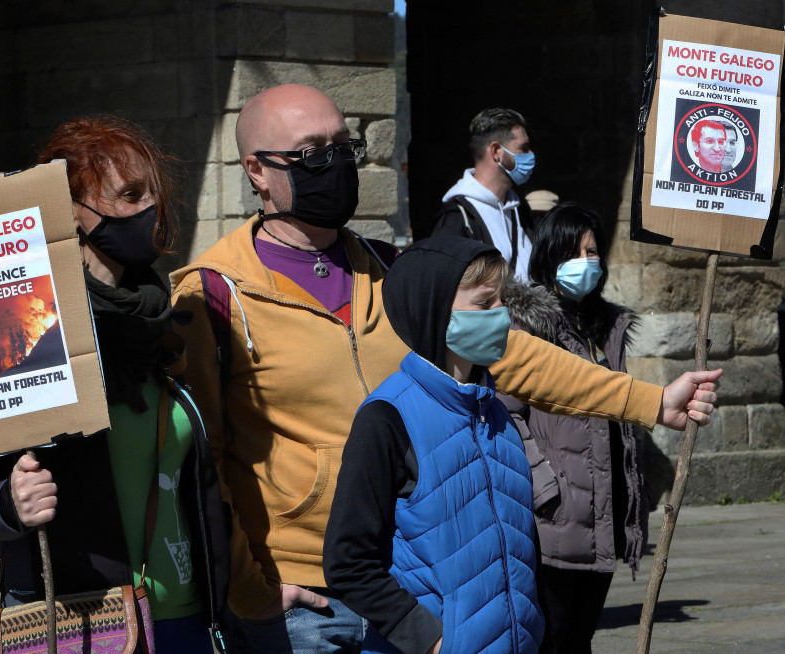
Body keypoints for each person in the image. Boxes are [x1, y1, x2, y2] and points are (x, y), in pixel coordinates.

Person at [169, 83, 722, 653]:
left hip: (419, 586)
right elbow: (203, 465)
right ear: (256, 170)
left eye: (344, 147)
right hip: (308, 603)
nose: (334, 164)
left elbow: (514, 355)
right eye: (312, 154)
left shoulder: (394, 272)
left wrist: (651, 401)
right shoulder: (212, 294)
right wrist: (250, 592)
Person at [0, 116, 228, 653]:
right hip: (80, 621)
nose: (149, 212)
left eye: (153, 195)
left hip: (191, 620)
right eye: (129, 195)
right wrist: (6, 503)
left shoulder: (173, 321)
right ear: (70, 212)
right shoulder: (21, 333)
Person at [324, 238, 543, 654]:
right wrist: (432, 640)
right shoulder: (387, 419)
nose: (503, 316)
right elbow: (348, 562)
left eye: (503, 301)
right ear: (437, 311)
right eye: (485, 304)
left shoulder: (498, 415)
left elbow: (520, 550)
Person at [501, 202, 648, 653]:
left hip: (604, 514)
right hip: (553, 520)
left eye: (592, 251)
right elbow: (507, 414)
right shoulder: (526, 327)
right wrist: (544, 484)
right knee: (550, 638)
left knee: (580, 639)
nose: (587, 262)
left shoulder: (607, 327)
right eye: (574, 252)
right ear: (548, 257)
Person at [429, 107, 536, 281]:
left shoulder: (521, 209)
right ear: (496, 152)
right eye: (523, 148)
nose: (531, 154)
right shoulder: (456, 220)